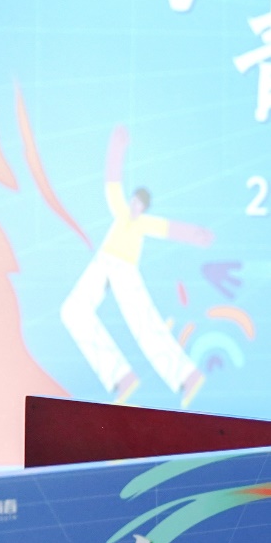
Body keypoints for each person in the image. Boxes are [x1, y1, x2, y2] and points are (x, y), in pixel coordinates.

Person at [61, 125, 213, 408]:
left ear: (143, 208)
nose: (135, 207)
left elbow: (168, 229)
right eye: (134, 201)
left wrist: (196, 235)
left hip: (124, 269)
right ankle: (120, 376)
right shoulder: (120, 210)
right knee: (72, 310)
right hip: (104, 262)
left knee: (143, 322)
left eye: (140, 205)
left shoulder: (144, 223)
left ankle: (186, 375)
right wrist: (117, 148)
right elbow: (112, 185)